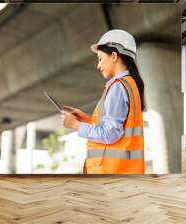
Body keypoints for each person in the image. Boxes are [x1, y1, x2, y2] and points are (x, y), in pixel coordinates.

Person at [61, 29, 146, 174]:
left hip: (111, 171)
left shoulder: (118, 87)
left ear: (114, 56)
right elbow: (117, 128)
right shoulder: (128, 84)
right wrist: (87, 120)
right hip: (121, 170)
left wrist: (76, 125)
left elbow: (111, 134)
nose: (98, 66)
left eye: (100, 58)